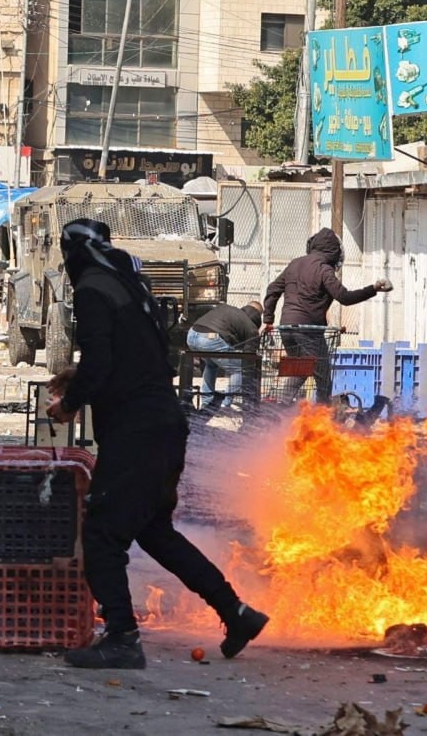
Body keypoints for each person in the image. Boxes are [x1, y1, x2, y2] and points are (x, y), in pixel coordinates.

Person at [47, 218, 268, 669]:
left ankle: (123, 638)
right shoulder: (129, 285)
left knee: (103, 533)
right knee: (155, 532)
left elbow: (100, 360)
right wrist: (82, 382)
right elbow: (134, 362)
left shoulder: (92, 287)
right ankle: (236, 613)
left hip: (137, 434)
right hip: (165, 426)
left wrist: (70, 402)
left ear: (71, 254)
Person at [261, 228, 392, 403]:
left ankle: (280, 407)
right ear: (334, 252)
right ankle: (323, 416)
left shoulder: (294, 264)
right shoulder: (324, 270)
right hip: (308, 330)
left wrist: (268, 320)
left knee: (301, 369)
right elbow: (345, 297)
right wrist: (374, 288)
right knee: (322, 375)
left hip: (286, 328)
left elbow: (272, 289)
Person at [186, 300, 264, 410]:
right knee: (239, 369)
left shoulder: (229, 310)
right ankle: (225, 405)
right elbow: (249, 357)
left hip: (191, 335)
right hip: (210, 339)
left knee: (211, 365)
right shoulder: (251, 327)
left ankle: (206, 401)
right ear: (258, 316)